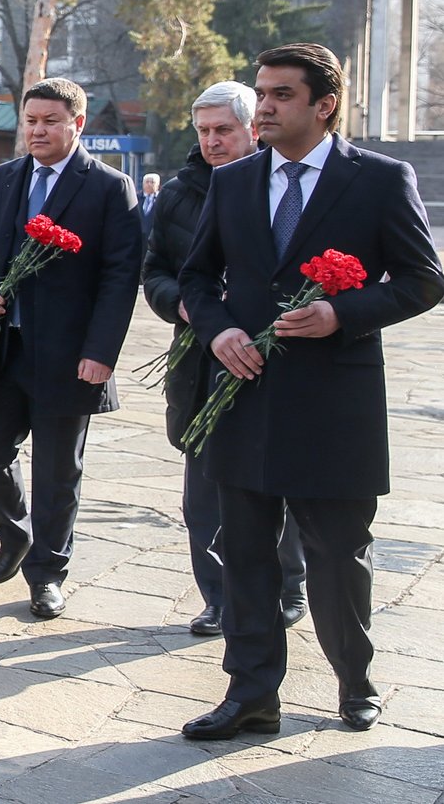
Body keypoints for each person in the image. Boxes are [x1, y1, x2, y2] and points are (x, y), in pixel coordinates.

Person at [179, 44, 444, 741]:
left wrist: (341, 315)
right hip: (244, 398)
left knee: (334, 558)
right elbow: (197, 281)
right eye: (261, 93)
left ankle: (355, 682)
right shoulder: (232, 182)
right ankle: (251, 696)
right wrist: (218, 333)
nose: (262, 106)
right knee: (244, 554)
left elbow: (424, 280)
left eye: (280, 95)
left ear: (324, 105)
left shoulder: (381, 180)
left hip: (336, 406)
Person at [0, 78, 142, 620]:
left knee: (58, 470)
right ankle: (15, 537)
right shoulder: (0, 180)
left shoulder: (108, 188)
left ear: (76, 125)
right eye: (31, 120)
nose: (38, 130)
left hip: (70, 356)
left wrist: (101, 351)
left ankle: (47, 573)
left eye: (50, 121)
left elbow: (119, 276)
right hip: (2, 345)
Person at [141, 81, 307, 640]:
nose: (212, 142)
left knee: (274, 478)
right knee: (202, 492)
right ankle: (217, 597)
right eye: (204, 131)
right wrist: (182, 303)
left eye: (223, 131)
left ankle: (288, 586)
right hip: (200, 358)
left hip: (276, 352)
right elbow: (157, 269)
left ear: (252, 129)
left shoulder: (284, 184)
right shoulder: (180, 193)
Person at [139, 173, 161, 240]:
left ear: (158, 185)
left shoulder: (161, 199)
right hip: (139, 236)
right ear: (143, 184)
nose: (149, 184)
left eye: (152, 182)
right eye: (147, 182)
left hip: (154, 237)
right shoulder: (136, 198)